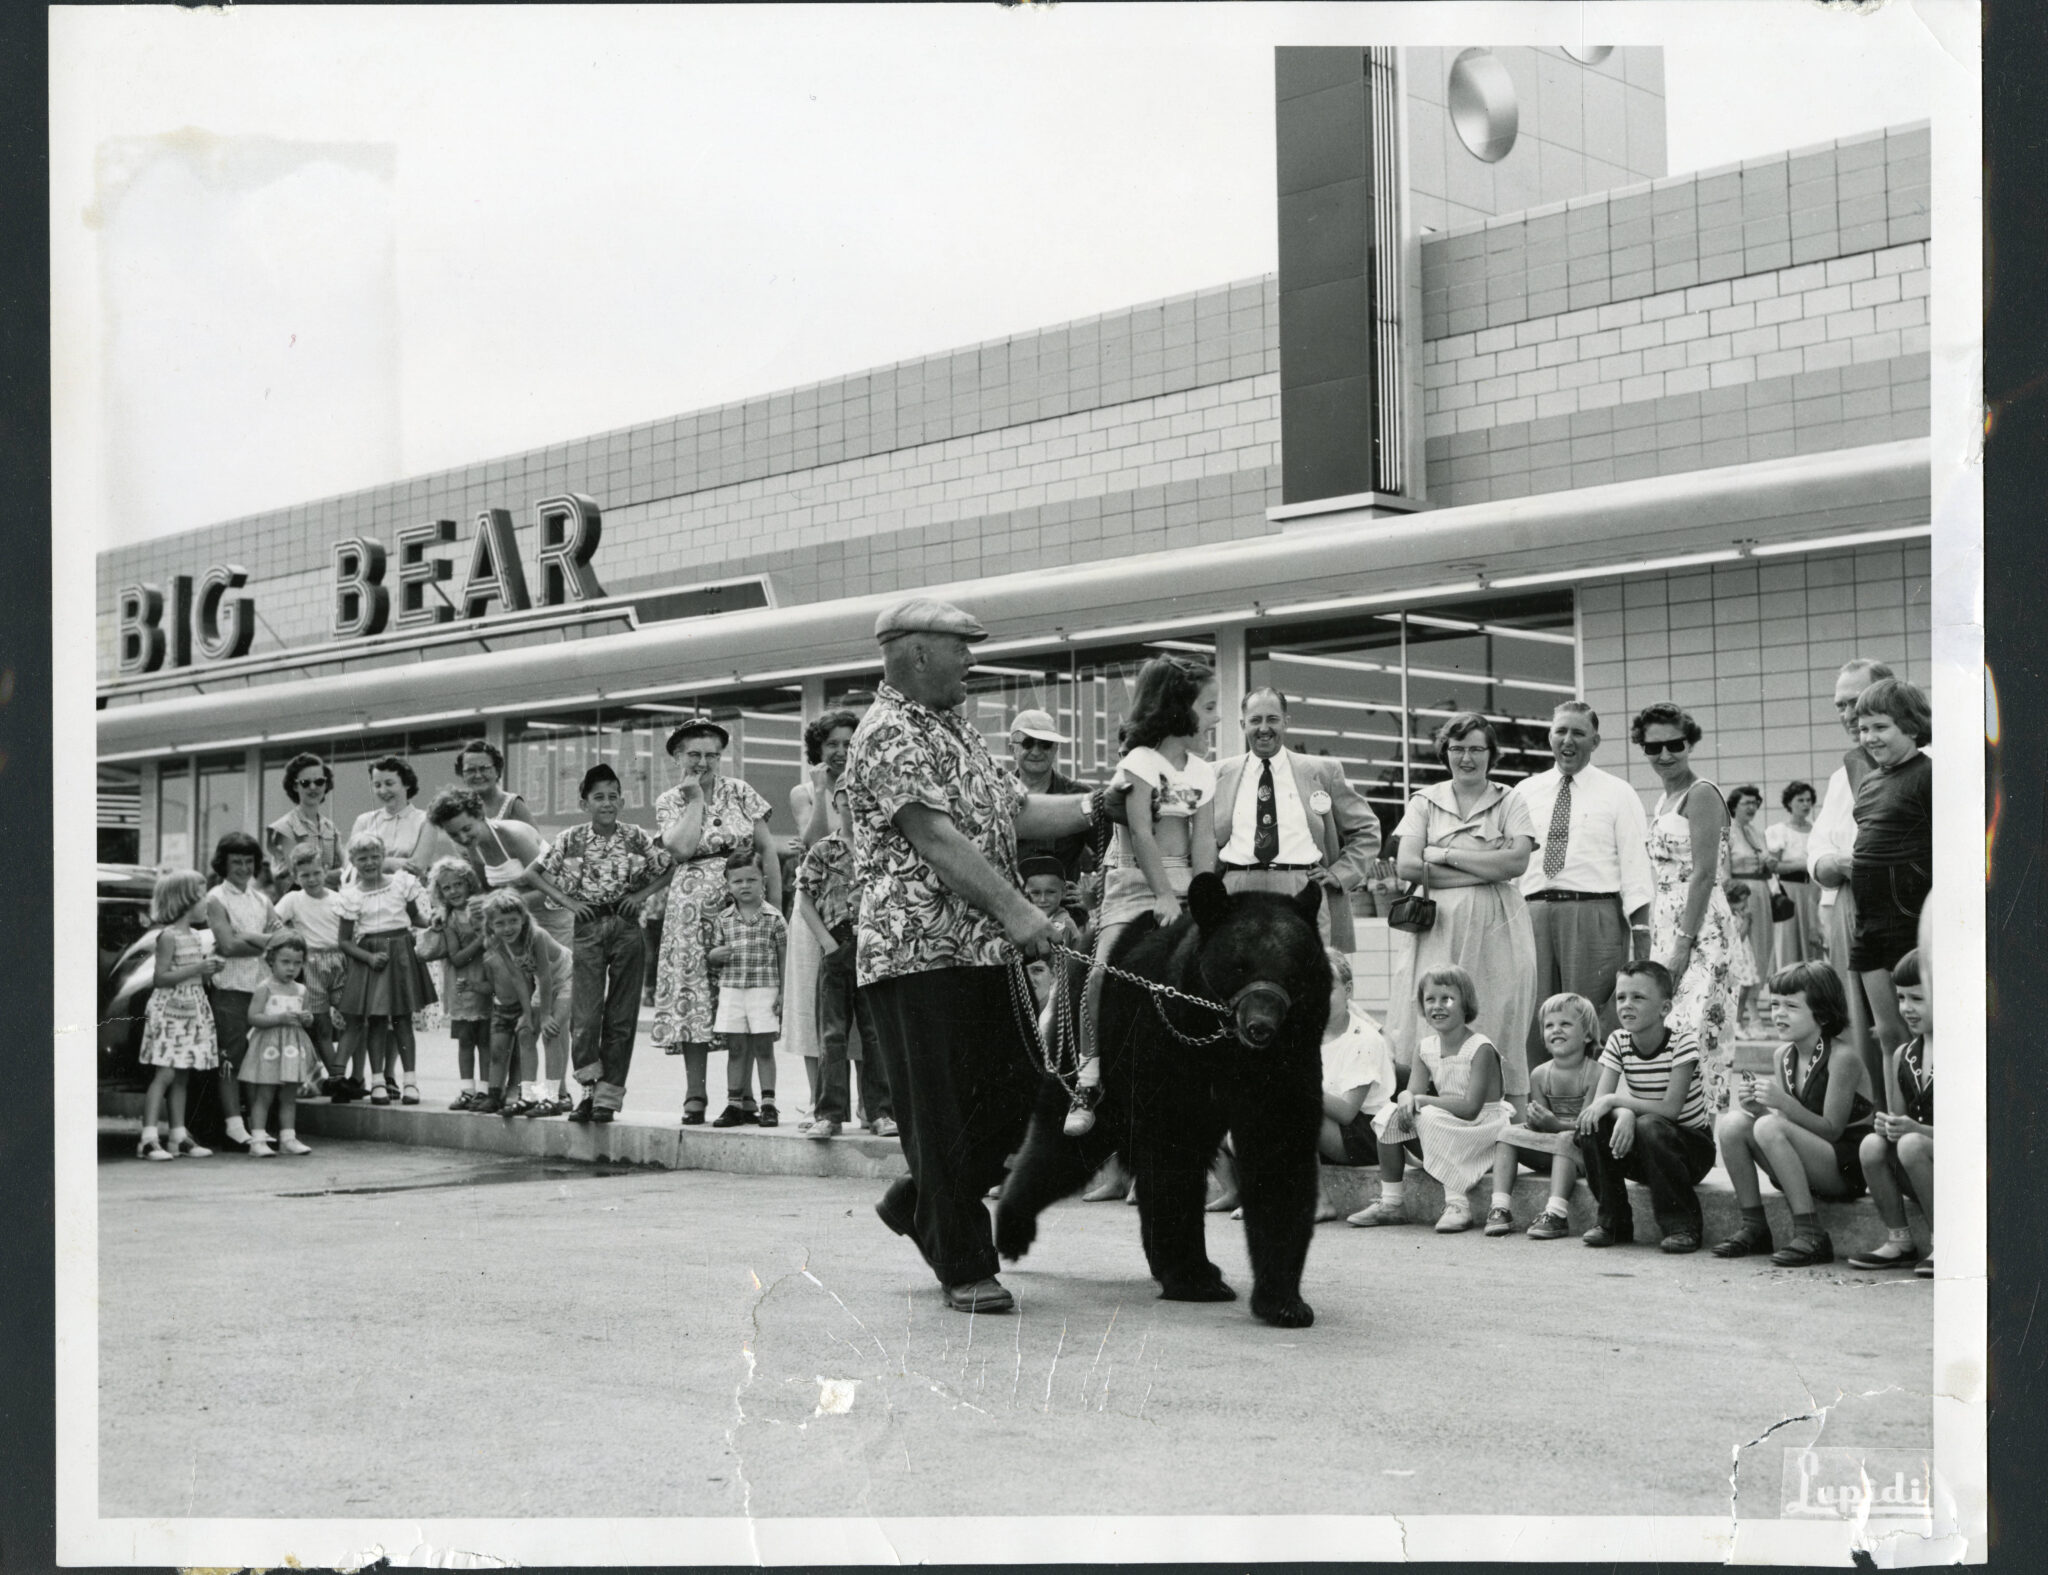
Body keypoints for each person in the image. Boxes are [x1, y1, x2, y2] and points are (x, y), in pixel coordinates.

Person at [844, 597, 1117, 1315]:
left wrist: (1100, 804)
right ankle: (964, 1261)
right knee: (937, 1112)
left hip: (979, 950)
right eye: (961, 645)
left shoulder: (956, 729)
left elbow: (1018, 810)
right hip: (916, 955)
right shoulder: (886, 732)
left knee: (1021, 1088)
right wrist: (1022, 910)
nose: (973, 658)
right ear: (916, 652)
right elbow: (935, 838)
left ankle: (919, 1197)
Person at [1066, 657, 1219, 1139]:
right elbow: (1141, 831)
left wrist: (1204, 897)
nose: (1216, 717)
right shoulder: (1139, 763)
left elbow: (1204, 840)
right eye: (1209, 707)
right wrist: (1161, 895)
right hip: (1135, 881)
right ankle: (1088, 1077)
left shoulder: (1202, 770)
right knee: (1102, 972)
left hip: (1184, 883)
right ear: (1179, 710)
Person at [1384, 713, 1538, 1114]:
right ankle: (1429, 1115)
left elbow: (1517, 862)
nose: (1466, 758)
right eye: (1457, 749)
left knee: (1499, 1012)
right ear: (1445, 753)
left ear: (1491, 754)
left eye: (1475, 749)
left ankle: (1510, 1125)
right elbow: (1407, 867)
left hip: (1497, 927)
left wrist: (1446, 854)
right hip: (1439, 928)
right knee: (1435, 1013)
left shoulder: (1510, 799)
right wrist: (1485, 863)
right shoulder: (1425, 801)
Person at [650, 715, 780, 1125]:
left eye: (712, 754)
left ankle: (743, 1097)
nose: (704, 761)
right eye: (694, 754)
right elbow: (683, 849)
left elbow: (767, 851)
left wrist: (774, 908)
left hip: (744, 905)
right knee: (695, 997)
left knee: (746, 995)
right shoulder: (671, 800)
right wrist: (694, 800)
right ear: (677, 757)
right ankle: (695, 1093)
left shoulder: (741, 792)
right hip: (691, 912)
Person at [526, 764, 674, 1123]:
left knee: (622, 1017)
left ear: (621, 801)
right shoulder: (570, 839)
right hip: (589, 926)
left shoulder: (636, 836)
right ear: (584, 803)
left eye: (612, 797)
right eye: (598, 797)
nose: (606, 803)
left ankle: (607, 1098)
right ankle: (588, 1092)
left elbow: (669, 867)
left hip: (625, 925)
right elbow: (533, 873)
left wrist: (640, 895)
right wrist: (570, 903)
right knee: (587, 1015)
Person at [1509, 701, 1655, 1063]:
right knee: (1536, 1018)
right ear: (1550, 738)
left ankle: (1590, 1108)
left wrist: (1642, 942)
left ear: (1595, 740)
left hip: (1594, 915)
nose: (1568, 741)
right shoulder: (1524, 792)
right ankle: (1539, 1106)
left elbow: (1636, 869)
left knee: (1587, 1018)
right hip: (1534, 914)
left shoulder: (1618, 792)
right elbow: (1511, 861)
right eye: (1561, 731)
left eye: (1578, 733)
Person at [1710, 961, 1876, 1267]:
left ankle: (1811, 1232)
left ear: (1823, 1014)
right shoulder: (1782, 1055)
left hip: (1843, 1169)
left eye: (1791, 1006)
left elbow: (1831, 1130)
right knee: (1733, 1124)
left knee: (1770, 1126)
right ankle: (1754, 1225)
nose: (1778, 1014)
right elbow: (1787, 1125)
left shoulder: (1843, 1058)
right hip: (1810, 1163)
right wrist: (1759, 1109)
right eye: (1774, 1005)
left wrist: (1781, 1106)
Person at [1633, 702, 1742, 1114]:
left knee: (1700, 1032)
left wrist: (1683, 942)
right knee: (1673, 1035)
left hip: (1701, 930)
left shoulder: (1701, 794)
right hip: (1668, 928)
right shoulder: (1665, 800)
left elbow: (1703, 874)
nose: (1664, 755)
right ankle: (1678, 1129)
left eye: (1674, 744)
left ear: (1690, 742)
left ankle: (1706, 1129)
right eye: (1652, 747)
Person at [1215, 686, 1381, 952]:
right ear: (1242, 724)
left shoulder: (1322, 772)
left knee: (1306, 976)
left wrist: (1340, 873)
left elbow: (1367, 829)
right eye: (1255, 720)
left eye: (1272, 719)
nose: (1264, 728)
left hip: (1301, 887)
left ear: (1286, 722)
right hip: (1237, 886)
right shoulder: (1218, 774)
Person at [1349, 964, 1510, 1234]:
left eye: (1447, 999)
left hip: (1483, 1129)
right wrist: (1405, 1098)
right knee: (1388, 1114)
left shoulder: (1480, 1047)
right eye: (1430, 999)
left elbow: (1471, 1109)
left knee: (1430, 1116)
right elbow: (1413, 1092)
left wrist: (1422, 1101)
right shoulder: (1425, 1047)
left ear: (1465, 1003)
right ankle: (1391, 1202)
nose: (1438, 1006)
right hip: (1449, 1125)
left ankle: (1458, 1205)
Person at [1574, 960, 1716, 1252]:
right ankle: (1613, 1223)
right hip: (1648, 1150)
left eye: (1638, 997)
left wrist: (1619, 1102)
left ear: (1664, 1009)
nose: (1627, 1005)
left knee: (1649, 1124)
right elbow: (1601, 1103)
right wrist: (1623, 1111)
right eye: (1621, 997)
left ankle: (1683, 1227)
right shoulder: (1618, 1040)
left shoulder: (1682, 1043)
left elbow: (1670, 1110)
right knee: (1593, 1123)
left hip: (1690, 1152)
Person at [1808, 657, 1896, 1103]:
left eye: (1855, 702)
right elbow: (1818, 849)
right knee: (1856, 1022)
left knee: (1897, 1019)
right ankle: (1871, 1124)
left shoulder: (1929, 761)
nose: (1847, 714)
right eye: (1839, 704)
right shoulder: (1842, 775)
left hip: (1899, 901)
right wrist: (1833, 864)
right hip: (1846, 900)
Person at [795, 785, 893, 1139]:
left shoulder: (881, 848)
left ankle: (881, 1112)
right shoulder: (824, 849)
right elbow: (804, 900)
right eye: (845, 804)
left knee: (876, 1033)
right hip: (837, 945)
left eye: (859, 803)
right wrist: (828, 943)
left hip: (872, 949)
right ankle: (829, 1113)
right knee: (833, 1033)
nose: (853, 809)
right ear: (836, 807)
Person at [1849, 678, 1933, 1060]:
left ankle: (1925, 1117)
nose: (1869, 737)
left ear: (1912, 726)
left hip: (1910, 917)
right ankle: (1892, 1120)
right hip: (1869, 919)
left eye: (1881, 727)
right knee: (1886, 1032)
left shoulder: (1929, 774)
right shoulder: (1869, 782)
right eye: (1863, 728)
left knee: (1923, 1028)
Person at [785, 710, 862, 1106]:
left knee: (862, 1013)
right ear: (817, 749)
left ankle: (871, 1105)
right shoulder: (804, 791)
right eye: (832, 743)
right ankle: (821, 1103)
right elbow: (813, 839)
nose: (841, 751)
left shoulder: (866, 788)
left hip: (856, 912)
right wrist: (819, 791)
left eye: (849, 743)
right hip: (814, 909)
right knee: (812, 1008)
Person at [1487, 992, 1601, 1239]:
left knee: (1564, 1139)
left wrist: (1555, 1124)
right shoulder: (1540, 1074)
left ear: (1588, 1035)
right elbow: (1541, 1128)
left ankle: (1556, 1214)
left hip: (1584, 1154)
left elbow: (1589, 1128)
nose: (1556, 1030)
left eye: (1565, 1024)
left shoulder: (1595, 1073)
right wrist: (1536, 1121)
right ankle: (1500, 1208)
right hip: (1551, 1149)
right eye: (1549, 1025)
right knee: (1506, 1132)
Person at [333, 829, 435, 1106]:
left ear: (383, 857)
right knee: (377, 1021)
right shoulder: (352, 895)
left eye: (375, 856)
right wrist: (367, 958)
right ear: (353, 861)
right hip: (374, 959)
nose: (369, 863)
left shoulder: (401, 883)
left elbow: (418, 919)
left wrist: (436, 920)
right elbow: (343, 941)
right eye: (362, 858)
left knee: (403, 1020)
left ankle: (410, 1081)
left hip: (402, 955)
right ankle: (377, 1080)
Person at [1849, 948, 1934, 1276]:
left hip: (1964, 1170)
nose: (1906, 1009)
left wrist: (1916, 1132)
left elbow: (1977, 1137)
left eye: (1918, 999)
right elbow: (1902, 1125)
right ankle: (1899, 1240)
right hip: (1923, 1164)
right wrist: (1890, 1126)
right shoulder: (1903, 1054)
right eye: (1901, 999)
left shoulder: (1968, 1053)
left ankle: (1949, 1243)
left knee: (1912, 1145)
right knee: (1872, 1144)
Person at [135, 870, 224, 1161]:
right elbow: (160, 978)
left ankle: (178, 1134)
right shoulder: (168, 936)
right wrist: (199, 969)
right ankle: (148, 1138)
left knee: (183, 1073)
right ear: (185, 900)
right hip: (171, 1009)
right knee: (165, 1073)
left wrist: (209, 971)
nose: (206, 904)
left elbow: (195, 974)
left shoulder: (197, 936)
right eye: (201, 898)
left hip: (192, 1008)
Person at [205, 832, 281, 1148]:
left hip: (260, 990)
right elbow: (227, 945)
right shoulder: (215, 898)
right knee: (230, 1059)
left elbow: (283, 938)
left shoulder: (262, 900)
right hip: (230, 989)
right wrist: (263, 942)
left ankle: (257, 1126)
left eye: (248, 861)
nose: (243, 868)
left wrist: (251, 938)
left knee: (258, 1060)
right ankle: (234, 1125)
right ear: (223, 863)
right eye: (236, 861)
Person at [707, 849, 787, 1126]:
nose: (745, 886)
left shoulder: (773, 918)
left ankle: (768, 1103)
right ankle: (734, 1104)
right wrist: (714, 956)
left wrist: (783, 992)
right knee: (737, 1049)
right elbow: (714, 954)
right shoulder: (724, 919)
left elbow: (783, 955)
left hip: (764, 988)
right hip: (732, 990)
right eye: (738, 881)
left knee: (764, 1048)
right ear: (728, 885)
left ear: (763, 881)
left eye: (751, 880)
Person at [1315, 949, 1397, 1221]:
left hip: (1366, 1132)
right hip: (1332, 1128)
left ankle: (1319, 1202)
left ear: (1348, 989)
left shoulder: (1365, 1039)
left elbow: (1348, 1111)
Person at [479, 889, 574, 1117]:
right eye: (500, 923)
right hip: (543, 986)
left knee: (550, 1031)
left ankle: (552, 1098)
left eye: (513, 921)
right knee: (524, 1032)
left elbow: (544, 975)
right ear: (491, 925)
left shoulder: (536, 936)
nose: (508, 928)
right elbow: (519, 979)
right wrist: (527, 1014)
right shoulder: (499, 944)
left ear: (523, 918)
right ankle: (529, 1096)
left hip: (567, 978)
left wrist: (544, 1016)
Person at [273, 842, 350, 1093]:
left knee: (352, 1019)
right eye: (305, 875)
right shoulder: (293, 899)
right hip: (313, 963)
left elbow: (351, 930)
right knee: (320, 1025)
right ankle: (337, 1078)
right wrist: (290, 940)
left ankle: (345, 1074)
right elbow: (272, 922)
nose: (312, 879)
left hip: (340, 960)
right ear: (296, 876)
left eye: (317, 872)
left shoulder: (339, 899)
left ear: (326, 869)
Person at [416, 857, 492, 1109]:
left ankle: (485, 1090)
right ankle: (467, 1090)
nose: (453, 891)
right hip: (460, 985)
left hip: (486, 980)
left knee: (486, 1040)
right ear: (440, 892)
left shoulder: (481, 909)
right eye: (446, 888)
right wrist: (482, 939)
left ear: (469, 883)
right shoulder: (447, 918)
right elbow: (457, 958)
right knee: (466, 1040)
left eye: (458, 884)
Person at [239, 931, 319, 1157]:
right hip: (269, 1047)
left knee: (289, 1095)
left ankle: (288, 1138)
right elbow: (253, 1017)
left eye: (297, 963)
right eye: (285, 962)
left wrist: (307, 1019)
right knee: (264, 1094)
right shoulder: (265, 987)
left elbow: (306, 1016)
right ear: (271, 960)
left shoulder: (301, 990)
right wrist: (278, 1019)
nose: (291, 968)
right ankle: (257, 1139)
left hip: (292, 1047)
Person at [1008, 708, 1094, 901]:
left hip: (1066, 919)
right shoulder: (994, 796)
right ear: (1012, 749)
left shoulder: (1081, 795)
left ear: (1055, 749)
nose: (1037, 752)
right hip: (1010, 916)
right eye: (1028, 743)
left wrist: (1090, 896)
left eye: (1045, 744)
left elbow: (1113, 857)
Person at [1726, 785, 1778, 1033]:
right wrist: (1735, 907)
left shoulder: (1756, 832)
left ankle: (1754, 1012)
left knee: (1761, 954)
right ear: (1734, 805)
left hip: (1761, 896)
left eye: (1755, 803)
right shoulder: (1726, 833)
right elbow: (1723, 874)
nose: (1752, 807)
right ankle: (1746, 1017)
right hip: (1741, 899)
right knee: (1746, 955)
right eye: (1746, 802)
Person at [347, 756, 439, 882]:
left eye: (389, 783)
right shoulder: (363, 821)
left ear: (406, 783)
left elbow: (417, 867)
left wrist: (370, 862)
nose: (383, 790)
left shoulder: (426, 821)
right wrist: (390, 863)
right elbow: (350, 865)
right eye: (377, 785)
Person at [263, 752, 344, 891]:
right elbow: (298, 875)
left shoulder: (330, 827)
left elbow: (345, 868)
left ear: (326, 785)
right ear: (295, 786)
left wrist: (340, 874)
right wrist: (338, 875)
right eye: (305, 783)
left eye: (319, 781)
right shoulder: (286, 826)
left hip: (328, 898)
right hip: (297, 899)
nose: (313, 787)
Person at [1767, 781, 1826, 967]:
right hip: (1789, 892)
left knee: (1814, 941)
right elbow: (1773, 866)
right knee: (1788, 943)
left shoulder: (1818, 829)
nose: (1806, 805)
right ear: (1789, 803)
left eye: (1809, 800)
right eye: (1800, 800)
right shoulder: (1779, 831)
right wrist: (1803, 864)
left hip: (1814, 891)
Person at [452, 739, 538, 827]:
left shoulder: (513, 805)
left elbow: (536, 840)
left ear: (497, 771)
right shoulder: (459, 806)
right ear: (462, 775)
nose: (478, 775)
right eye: (470, 770)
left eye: (484, 768)